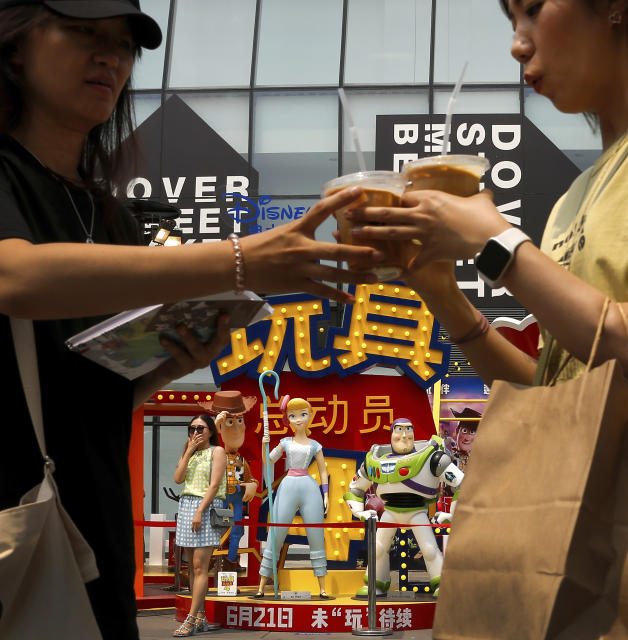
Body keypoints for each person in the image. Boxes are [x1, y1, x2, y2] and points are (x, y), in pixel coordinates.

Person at [345, 0, 628, 635]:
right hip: (580, 480)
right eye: (510, 24)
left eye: (531, 11)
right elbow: (553, 393)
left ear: (613, 9)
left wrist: (497, 244)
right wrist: (441, 291)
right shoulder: (575, 195)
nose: (518, 45)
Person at [0, 1, 383, 637]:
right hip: (16, 521)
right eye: (84, 32)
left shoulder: (112, 215)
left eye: (124, 45)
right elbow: (14, 276)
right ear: (14, 46)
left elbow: (90, 390)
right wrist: (236, 260)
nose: (111, 58)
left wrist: (169, 361)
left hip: (92, 537)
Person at [345, 418, 464, 597]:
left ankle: (442, 583)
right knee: (377, 548)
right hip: (390, 512)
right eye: (399, 430)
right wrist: (359, 512)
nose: (404, 435)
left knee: (429, 549)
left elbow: (462, 483)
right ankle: (375, 583)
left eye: (408, 430)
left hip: (417, 512)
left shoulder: (432, 458)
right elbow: (355, 488)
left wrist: (452, 514)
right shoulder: (375, 461)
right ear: (391, 434)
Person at [253, 396, 333, 599]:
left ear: (310, 416)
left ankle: (322, 587)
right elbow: (268, 461)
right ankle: (261, 586)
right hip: (288, 486)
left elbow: (323, 471)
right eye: (293, 416)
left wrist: (326, 493)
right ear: (287, 419)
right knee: (276, 534)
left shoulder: (315, 445)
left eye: (303, 414)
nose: (298, 419)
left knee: (316, 536)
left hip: (309, 488)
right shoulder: (285, 442)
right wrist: (264, 445)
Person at [171, 414, 226, 636]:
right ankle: (200, 615)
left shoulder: (217, 452)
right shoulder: (190, 452)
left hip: (205, 506)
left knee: (201, 566)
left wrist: (199, 511)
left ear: (211, 431)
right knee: (192, 567)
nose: (196, 432)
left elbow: (214, 486)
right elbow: (177, 478)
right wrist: (187, 452)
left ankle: (191, 619)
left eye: (201, 428)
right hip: (186, 504)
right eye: (192, 428)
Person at [200, 390, 258, 569]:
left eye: (239, 421)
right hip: (219, 497)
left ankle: (231, 560)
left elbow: (251, 478)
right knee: (216, 527)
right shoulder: (214, 454)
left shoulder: (241, 460)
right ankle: (211, 558)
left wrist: (252, 484)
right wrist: (214, 428)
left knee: (237, 529)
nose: (237, 427)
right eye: (230, 422)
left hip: (237, 499)